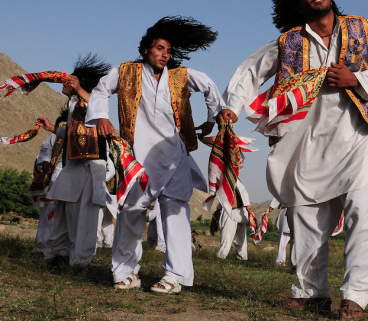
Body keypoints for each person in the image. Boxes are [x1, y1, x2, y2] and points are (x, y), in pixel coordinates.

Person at [219, 0, 368, 318]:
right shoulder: (288, 41)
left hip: (359, 137)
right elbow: (250, 72)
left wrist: (357, 78)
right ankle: (311, 292)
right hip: (307, 143)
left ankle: (356, 297)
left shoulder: (361, 28)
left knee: (364, 214)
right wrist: (231, 106)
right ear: (297, 4)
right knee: (306, 217)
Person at [86, 16, 221, 294]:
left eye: (168, 50)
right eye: (160, 48)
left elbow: (208, 85)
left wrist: (211, 118)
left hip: (175, 156)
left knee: (175, 213)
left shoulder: (181, 76)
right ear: (146, 49)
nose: (165, 54)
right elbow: (100, 90)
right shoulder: (125, 71)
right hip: (137, 158)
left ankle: (174, 276)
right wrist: (100, 116)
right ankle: (126, 273)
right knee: (131, 212)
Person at [37, 54, 111, 268]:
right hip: (73, 165)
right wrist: (52, 128)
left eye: (70, 80)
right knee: (64, 208)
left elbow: (99, 106)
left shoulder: (90, 102)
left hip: (92, 166)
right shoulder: (72, 105)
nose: (65, 82)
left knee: (85, 215)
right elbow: (71, 133)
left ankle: (79, 261)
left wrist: (79, 89)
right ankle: (59, 254)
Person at [216, 180, 253, 260]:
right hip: (231, 211)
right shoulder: (226, 179)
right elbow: (223, 196)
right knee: (228, 236)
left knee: (238, 237)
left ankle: (242, 257)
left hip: (239, 212)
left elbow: (242, 190)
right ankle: (222, 256)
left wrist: (247, 204)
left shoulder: (233, 178)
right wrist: (218, 209)